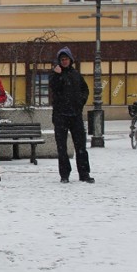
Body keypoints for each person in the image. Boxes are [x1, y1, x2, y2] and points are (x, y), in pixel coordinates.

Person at [49, 47, 94, 184]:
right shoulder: (55, 75)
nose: (64, 61)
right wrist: (58, 74)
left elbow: (85, 90)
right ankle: (64, 174)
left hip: (75, 115)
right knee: (62, 147)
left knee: (80, 146)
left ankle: (84, 173)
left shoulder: (76, 74)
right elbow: (55, 88)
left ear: (70, 60)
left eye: (66, 59)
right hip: (60, 115)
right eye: (62, 59)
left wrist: (79, 103)